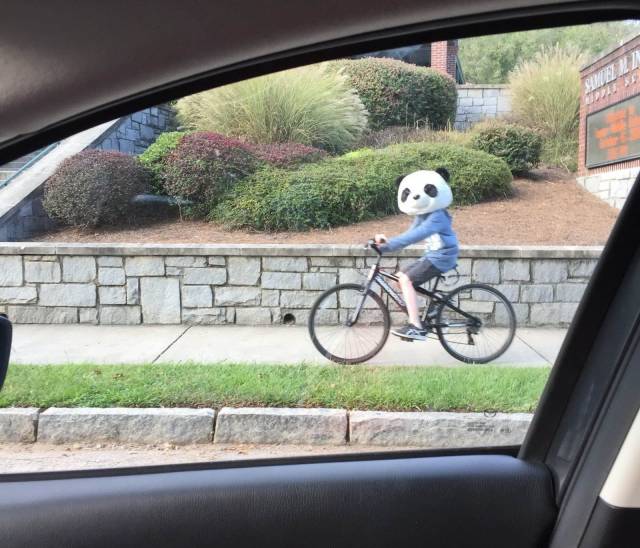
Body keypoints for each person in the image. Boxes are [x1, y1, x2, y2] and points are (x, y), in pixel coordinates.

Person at [375, 168, 459, 340]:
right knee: (399, 279)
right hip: (433, 255)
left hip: (442, 257)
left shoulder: (437, 216)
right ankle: (438, 299)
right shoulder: (423, 215)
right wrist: (385, 243)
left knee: (406, 280)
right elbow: (409, 234)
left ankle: (416, 326)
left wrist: (385, 248)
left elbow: (414, 237)